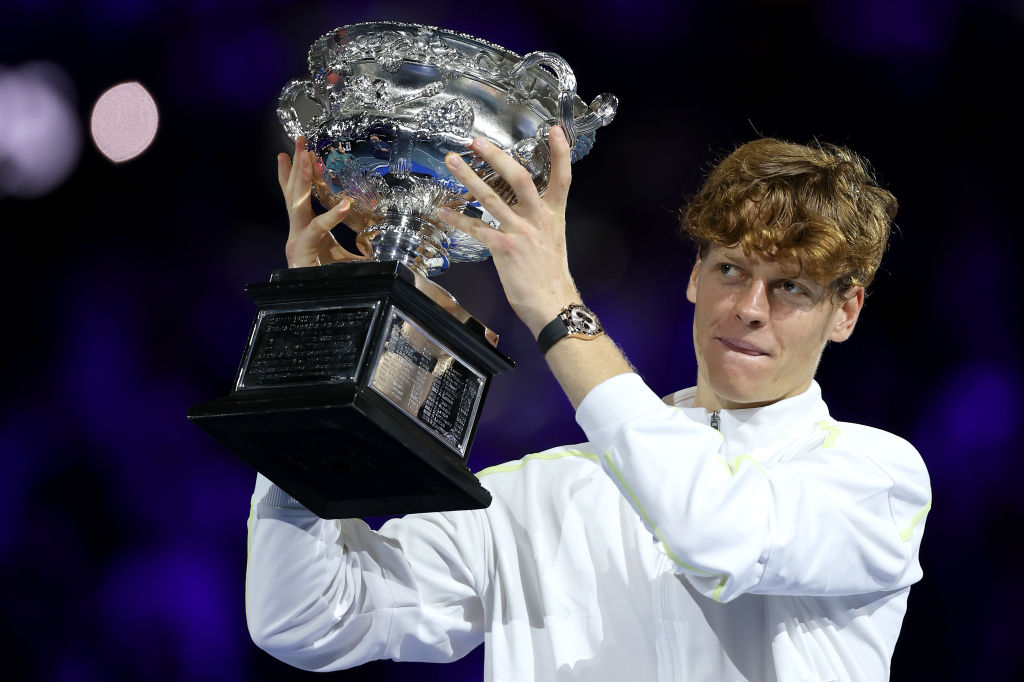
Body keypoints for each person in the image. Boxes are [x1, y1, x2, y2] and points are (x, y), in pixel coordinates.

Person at [247, 127, 931, 681]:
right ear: (695, 276)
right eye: (731, 269)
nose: (750, 308)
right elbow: (310, 617)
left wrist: (555, 304)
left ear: (846, 312)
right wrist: (323, 345)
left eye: (792, 288)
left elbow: (713, 535)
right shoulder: (537, 493)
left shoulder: (875, 479)